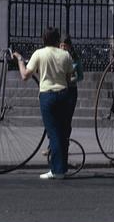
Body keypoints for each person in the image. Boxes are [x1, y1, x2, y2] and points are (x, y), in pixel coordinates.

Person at [14, 27, 75, 180]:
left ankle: (57, 171)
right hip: (64, 94)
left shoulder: (39, 54)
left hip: (47, 95)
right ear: (57, 40)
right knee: (62, 133)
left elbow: (25, 76)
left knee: (53, 134)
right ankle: (62, 167)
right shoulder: (65, 55)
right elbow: (69, 78)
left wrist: (20, 61)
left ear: (43, 39)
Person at [42, 34, 84, 157]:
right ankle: (52, 146)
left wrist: (71, 79)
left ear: (70, 47)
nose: (63, 48)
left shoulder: (75, 59)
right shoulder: (56, 57)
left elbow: (80, 76)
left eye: (65, 46)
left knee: (66, 121)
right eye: (61, 45)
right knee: (54, 121)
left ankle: (63, 146)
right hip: (57, 90)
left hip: (70, 92)